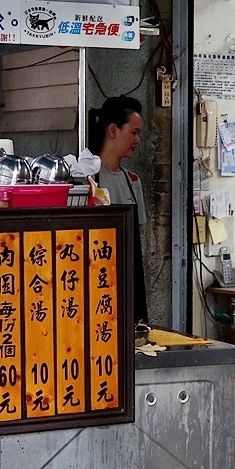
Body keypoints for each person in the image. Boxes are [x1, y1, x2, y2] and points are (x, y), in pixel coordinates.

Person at [88, 95, 149, 323]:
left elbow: (137, 235)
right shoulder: (88, 179)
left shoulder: (133, 181)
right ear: (113, 130)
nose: (138, 140)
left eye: (139, 133)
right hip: (96, 279)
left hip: (127, 279)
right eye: (134, 132)